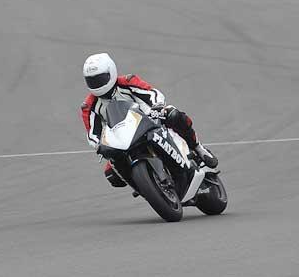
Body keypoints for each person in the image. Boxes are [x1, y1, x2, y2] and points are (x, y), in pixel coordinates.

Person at [81, 53, 218, 188]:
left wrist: (157, 107)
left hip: (148, 121)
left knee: (173, 114)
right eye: (92, 81)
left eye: (100, 78)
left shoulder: (127, 82)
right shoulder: (89, 106)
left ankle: (198, 148)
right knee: (111, 174)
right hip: (121, 139)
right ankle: (147, 187)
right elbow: (92, 134)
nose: (97, 84)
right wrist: (99, 145)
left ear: (111, 71)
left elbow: (152, 93)